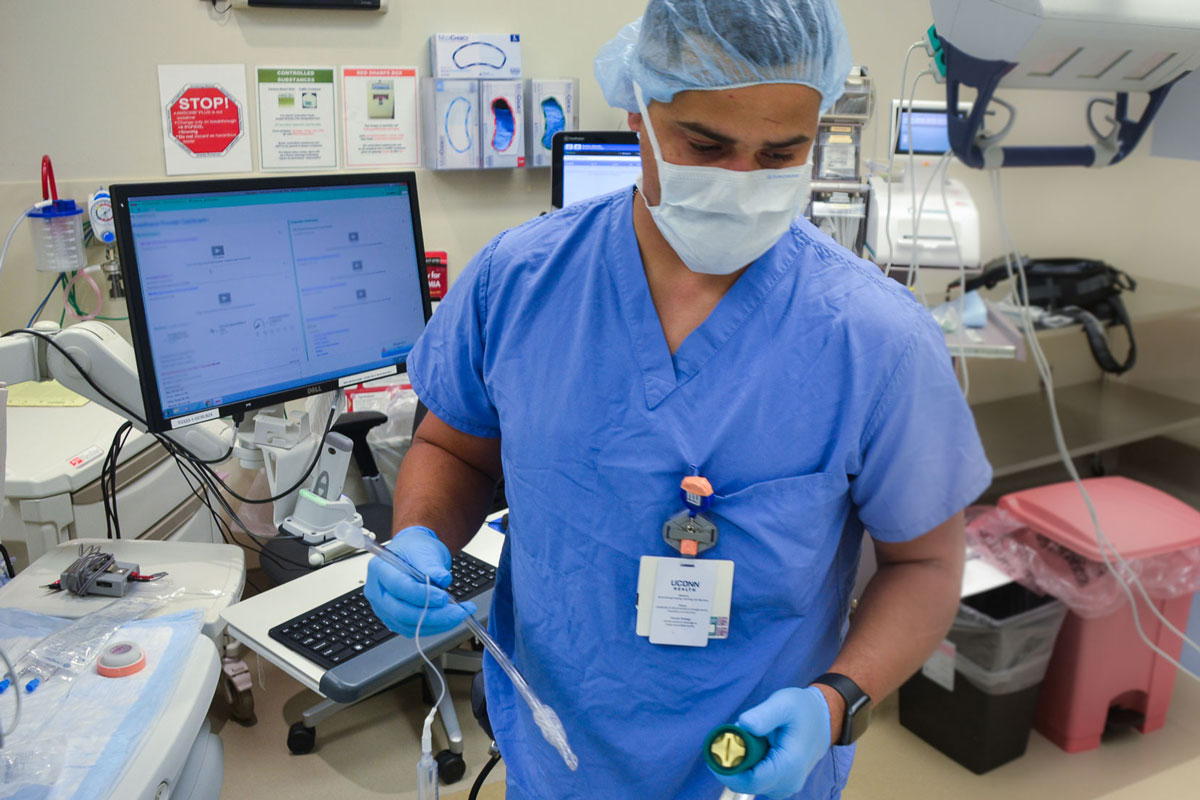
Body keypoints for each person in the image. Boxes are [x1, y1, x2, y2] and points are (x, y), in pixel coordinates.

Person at [365, 1, 992, 797]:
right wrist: (420, 540)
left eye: (781, 151)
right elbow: (453, 447)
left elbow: (928, 563)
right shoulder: (520, 282)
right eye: (706, 144)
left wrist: (835, 702)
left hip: (753, 774)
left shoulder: (876, 338)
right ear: (640, 110)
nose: (741, 181)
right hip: (556, 755)